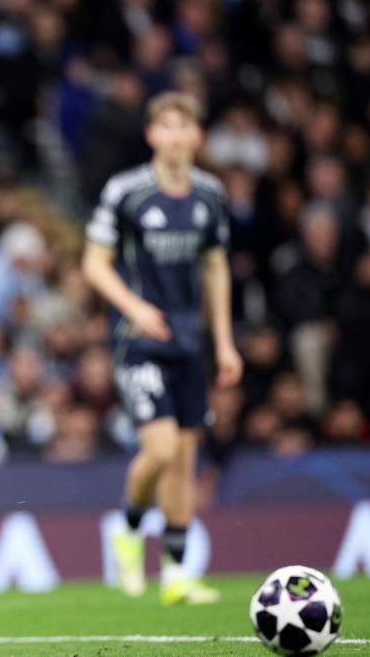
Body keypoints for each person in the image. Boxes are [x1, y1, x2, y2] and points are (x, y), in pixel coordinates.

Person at [82, 91, 243, 605]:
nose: (175, 137)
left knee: (185, 459)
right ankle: (128, 530)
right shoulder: (127, 191)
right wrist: (134, 309)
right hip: (139, 339)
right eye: (166, 127)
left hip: (190, 339)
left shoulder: (210, 195)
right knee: (162, 448)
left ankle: (176, 574)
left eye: (185, 127)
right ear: (152, 135)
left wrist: (225, 343)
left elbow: (216, 267)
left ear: (197, 136)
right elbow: (94, 263)